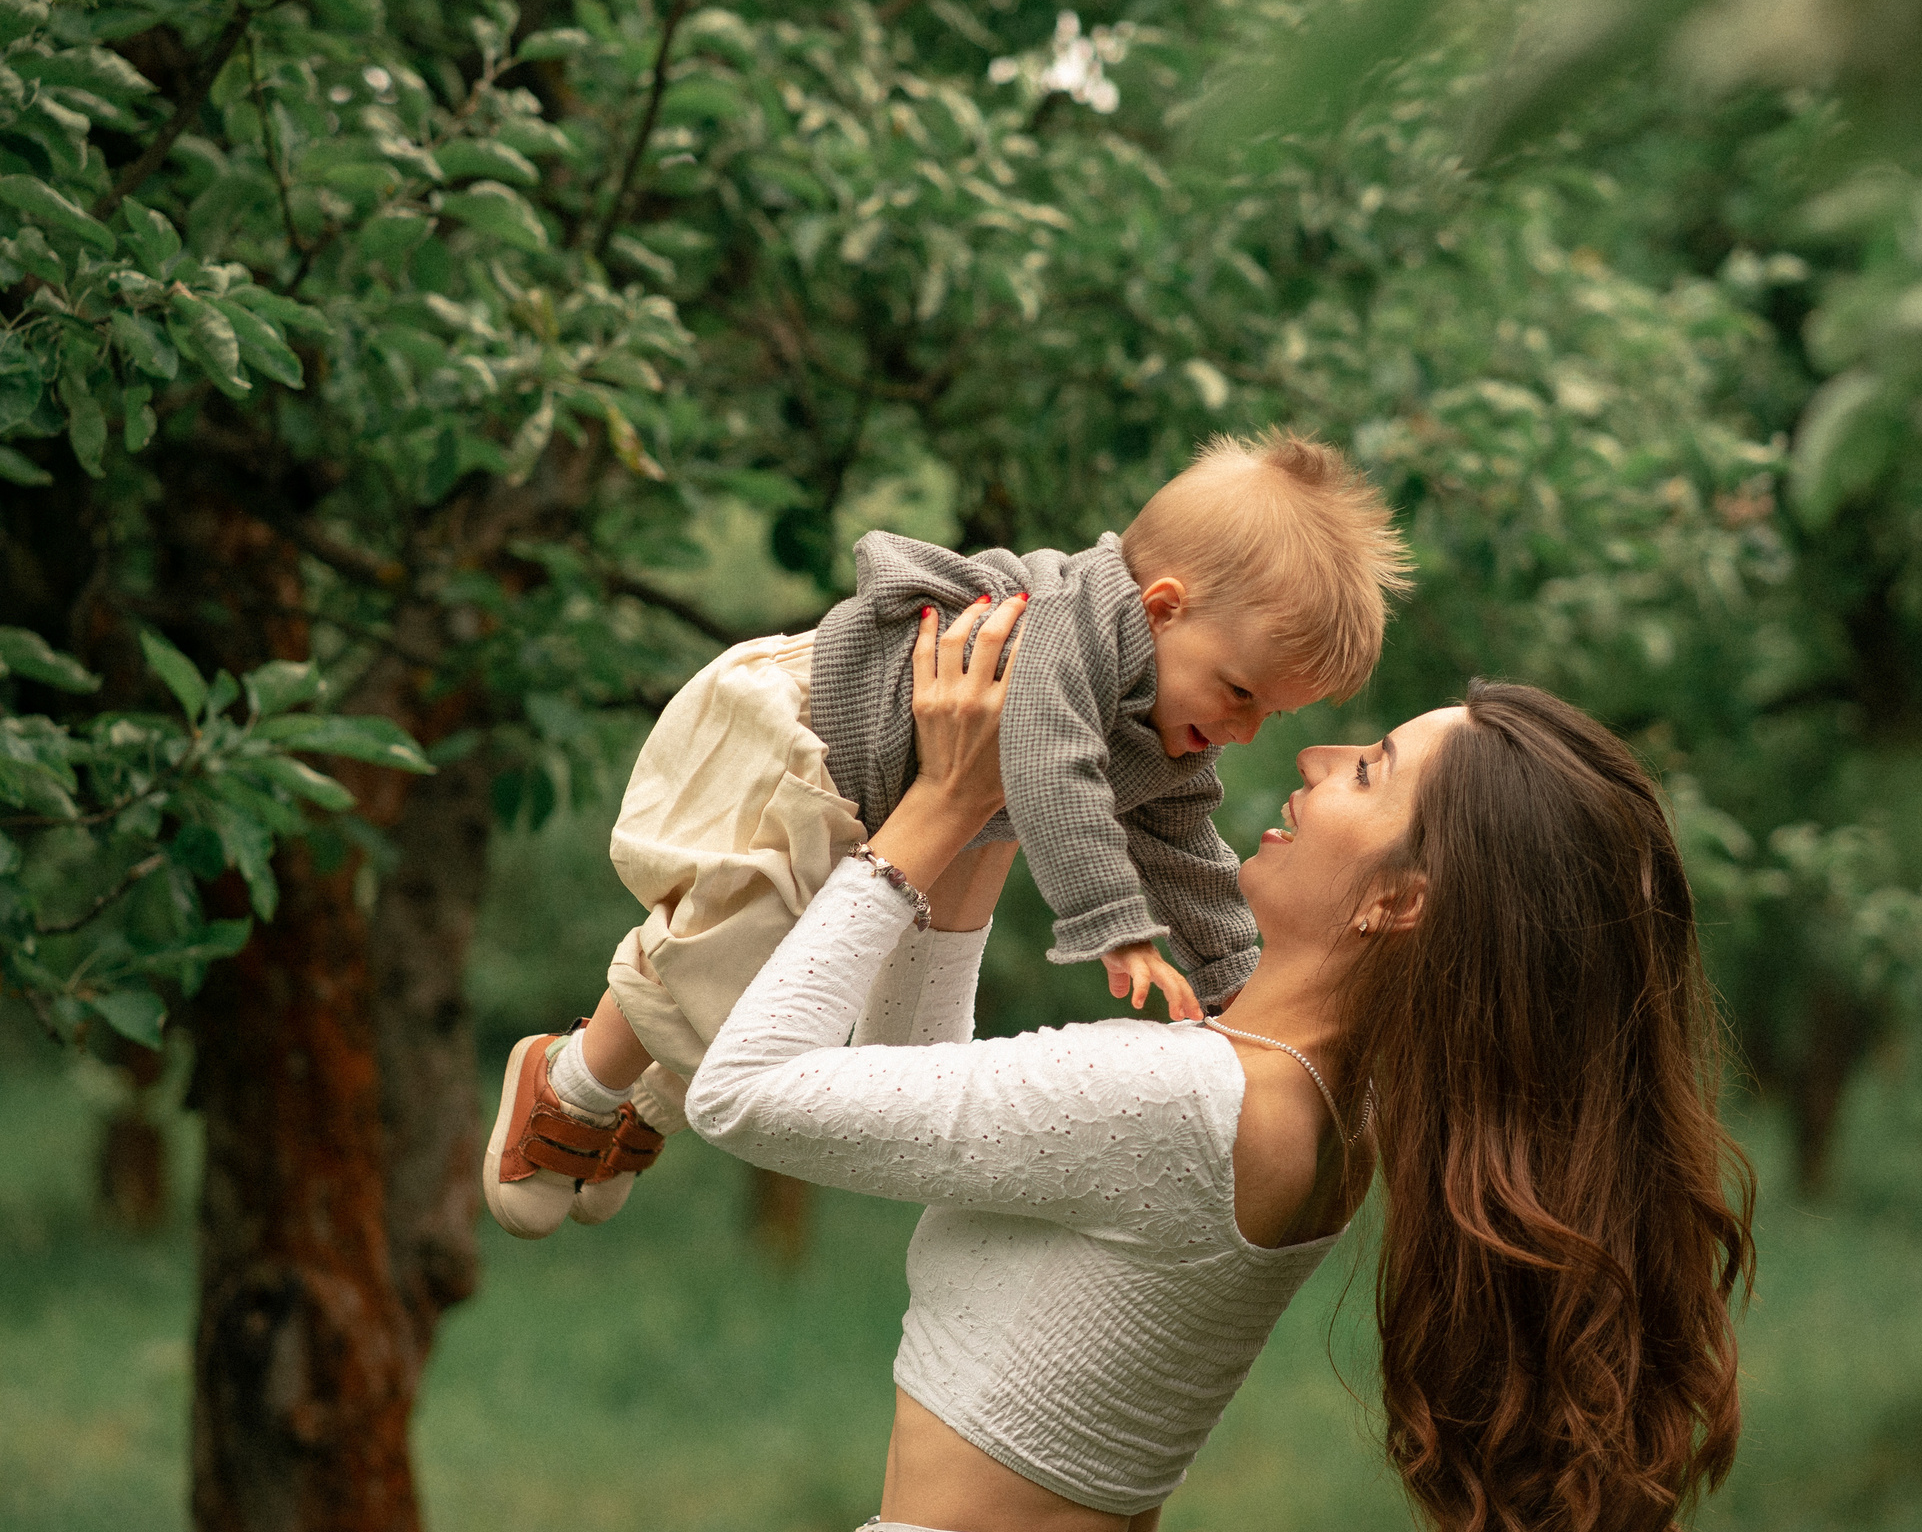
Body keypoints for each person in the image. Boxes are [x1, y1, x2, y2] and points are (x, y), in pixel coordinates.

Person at [685, 597, 1755, 1532]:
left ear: (1399, 898)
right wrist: (990, 815)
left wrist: (940, 805)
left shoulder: (1186, 1100)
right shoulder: (1315, 1109)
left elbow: (745, 1094)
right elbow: (904, 1111)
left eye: (1369, 772)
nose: (1316, 757)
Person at [484, 432, 1413, 1234]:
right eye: (1240, 690)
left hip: (873, 794)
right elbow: (1052, 768)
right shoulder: (1070, 635)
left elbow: (1191, 859)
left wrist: (1241, 991)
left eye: (1271, 714)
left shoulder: (1155, 721)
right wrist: (1115, 921)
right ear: (1162, 608)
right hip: (808, 735)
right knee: (732, 934)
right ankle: (569, 1083)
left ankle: (642, 1098)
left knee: (777, 975)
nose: (1245, 728)